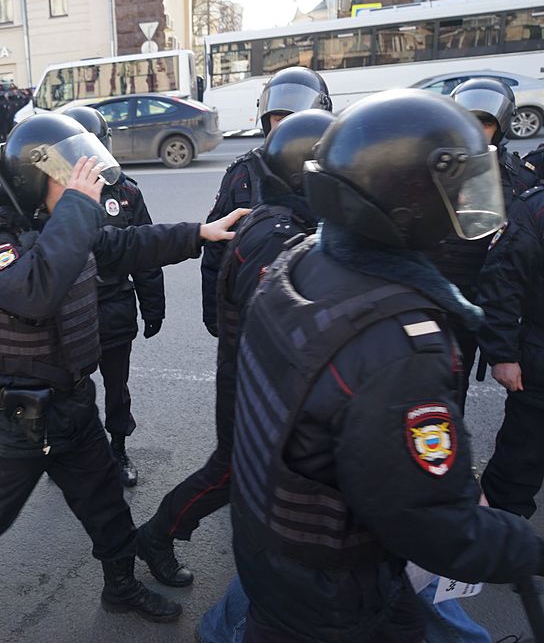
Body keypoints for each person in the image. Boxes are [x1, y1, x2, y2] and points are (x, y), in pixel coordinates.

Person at [0, 112, 249, 629]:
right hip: (18, 415)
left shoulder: (58, 224)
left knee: (106, 503)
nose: (79, 189)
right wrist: (76, 208)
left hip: (71, 401)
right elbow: (35, 292)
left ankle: (121, 586)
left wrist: (200, 233)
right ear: (32, 180)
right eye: (67, 178)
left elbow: (125, 244)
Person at [230, 89, 544, 641]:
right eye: (453, 189)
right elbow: (431, 523)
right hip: (334, 587)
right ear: (410, 208)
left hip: (269, 545)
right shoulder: (401, 343)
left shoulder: (299, 263)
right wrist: (522, 547)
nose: (463, 202)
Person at [137, 109, 335, 587]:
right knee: (230, 471)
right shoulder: (278, 236)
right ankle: (158, 535)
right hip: (254, 381)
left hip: (260, 378)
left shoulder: (287, 221)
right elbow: (273, 329)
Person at [63, 106, 164, 487]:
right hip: (70, 310)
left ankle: (118, 448)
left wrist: (154, 306)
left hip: (115, 306)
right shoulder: (54, 195)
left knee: (116, 387)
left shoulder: (125, 192)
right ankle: (73, 452)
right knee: (71, 389)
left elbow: (146, 250)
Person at [199, 67, 332, 337]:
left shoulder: (335, 167)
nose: (284, 126)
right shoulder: (243, 173)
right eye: (278, 117)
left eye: (293, 118)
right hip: (252, 308)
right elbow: (215, 249)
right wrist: (214, 315)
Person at [432, 78, 539, 386]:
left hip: (494, 301)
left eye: (486, 122)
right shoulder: (435, 167)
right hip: (443, 301)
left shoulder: (520, 177)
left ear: (501, 125)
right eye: (468, 120)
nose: (476, 129)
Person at [477, 141, 544, 523]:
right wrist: (503, 355)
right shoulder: (534, 209)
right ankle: (502, 537)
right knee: (521, 457)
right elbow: (502, 286)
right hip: (539, 355)